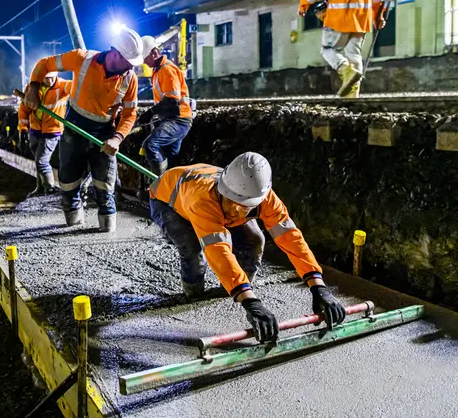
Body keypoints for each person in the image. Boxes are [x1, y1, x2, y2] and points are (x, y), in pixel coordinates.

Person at [148, 152, 346, 342]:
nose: (235, 211)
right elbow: (219, 251)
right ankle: (193, 294)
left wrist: (317, 284)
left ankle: (238, 290)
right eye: (231, 202)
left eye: (243, 206)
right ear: (223, 189)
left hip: (203, 188)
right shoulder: (202, 199)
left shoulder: (264, 197)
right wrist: (252, 302)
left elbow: (290, 238)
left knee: (255, 239)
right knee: (192, 249)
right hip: (167, 202)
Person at [23, 27, 143, 232]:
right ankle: (72, 218)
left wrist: (117, 138)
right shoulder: (81, 58)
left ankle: (107, 226)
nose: (131, 68)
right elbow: (44, 64)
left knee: (105, 183)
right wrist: (33, 87)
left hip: (104, 132)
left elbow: (130, 114)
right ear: (115, 54)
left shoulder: (130, 79)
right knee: (68, 180)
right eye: (128, 62)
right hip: (74, 128)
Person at [137, 36, 194, 175]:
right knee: (170, 159)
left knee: (150, 145)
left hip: (178, 120)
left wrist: (150, 113)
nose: (144, 61)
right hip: (172, 119)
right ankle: (168, 188)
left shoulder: (166, 70)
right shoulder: (157, 71)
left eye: (145, 57)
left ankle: (159, 182)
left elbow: (171, 100)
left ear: (154, 52)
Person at [17, 71, 72, 196]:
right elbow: (24, 110)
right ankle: (40, 188)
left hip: (52, 131)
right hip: (35, 129)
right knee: (38, 159)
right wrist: (23, 129)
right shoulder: (32, 88)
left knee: (41, 161)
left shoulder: (63, 85)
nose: (51, 81)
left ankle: (50, 188)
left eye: (53, 78)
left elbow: (79, 88)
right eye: (47, 79)